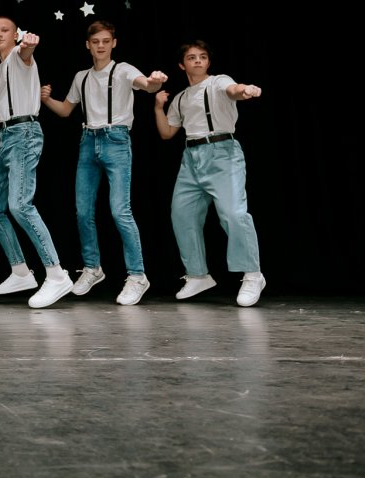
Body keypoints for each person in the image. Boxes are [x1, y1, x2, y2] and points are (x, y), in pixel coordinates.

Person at [40, 20, 168, 306]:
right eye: (96, 41)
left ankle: (137, 275)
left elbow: (146, 85)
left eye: (106, 41)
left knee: (120, 211)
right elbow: (66, 110)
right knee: (83, 211)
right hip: (88, 140)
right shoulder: (81, 77)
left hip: (116, 140)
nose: (101, 46)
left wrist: (155, 81)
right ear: (88, 45)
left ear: (114, 43)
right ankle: (92, 268)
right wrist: (46, 100)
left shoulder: (123, 70)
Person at [0, 16, 74, 308]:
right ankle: (21, 271)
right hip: (5, 138)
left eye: (5, 30)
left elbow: (27, 52)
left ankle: (57, 274)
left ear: (16, 35)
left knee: (20, 205)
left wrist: (29, 44)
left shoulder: (18, 56)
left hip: (24, 133)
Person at [154, 40, 265, 306]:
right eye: (192, 57)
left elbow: (233, 90)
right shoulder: (180, 98)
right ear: (182, 65)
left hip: (221, 152)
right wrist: (158, 107)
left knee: (234, 213)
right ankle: (197, 275)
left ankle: (253, 274)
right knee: (182, 214)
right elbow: (167, 133)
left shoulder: (218, 82)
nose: (198, 61)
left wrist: (245, 89)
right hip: (191, 157)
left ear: (208, 62)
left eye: (203, 57)